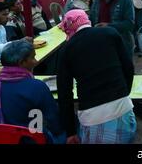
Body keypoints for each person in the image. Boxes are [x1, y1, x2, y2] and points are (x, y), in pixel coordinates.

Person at [58, 10, 136, 144]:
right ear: (86, 20)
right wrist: (123, 93)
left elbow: (64, 93)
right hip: (123, 109)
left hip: (92, 118)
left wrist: (70, 131)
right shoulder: (110, 33)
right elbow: (129, 67)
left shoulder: (66, 50)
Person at [0, 40, 65, 143]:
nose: (36, 61)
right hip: (30, 140)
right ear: (22, 62)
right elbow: (54, 122)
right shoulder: (37, 87)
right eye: (32, 58)